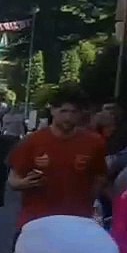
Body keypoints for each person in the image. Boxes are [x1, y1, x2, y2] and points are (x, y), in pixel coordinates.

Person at [8, 85, 107, 237]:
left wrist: (86, 201)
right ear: (53, 110)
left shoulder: (94, 143)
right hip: (36, 221)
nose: (68, 117)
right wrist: (24, 183)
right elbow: (13, 179)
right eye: (63, 111)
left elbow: (100, 177)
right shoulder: (32, 141)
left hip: (76, 223)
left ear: (81, 114)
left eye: (74, 112)